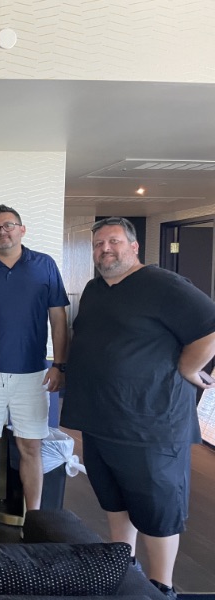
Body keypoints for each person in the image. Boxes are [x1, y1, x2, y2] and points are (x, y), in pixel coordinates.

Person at [61, 217, 215, 599]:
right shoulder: (96, 289)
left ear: (133, 246)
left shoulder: (163, 284)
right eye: (98, 244)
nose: (105, 249)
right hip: (102, 419)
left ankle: (162, 586)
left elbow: (210, 327)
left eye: (113, 241)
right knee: (115, 500)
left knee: (157, 508)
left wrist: (189, 368)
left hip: (150, 425)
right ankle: (123, 568)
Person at [0, 204, 69, 544]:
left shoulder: (44, 265)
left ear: (22, 230)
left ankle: (33, 520)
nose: (2, 232)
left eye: (8, 225)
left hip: (32, 373)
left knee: (31, 447)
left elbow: (59, 318)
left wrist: (59, 364)